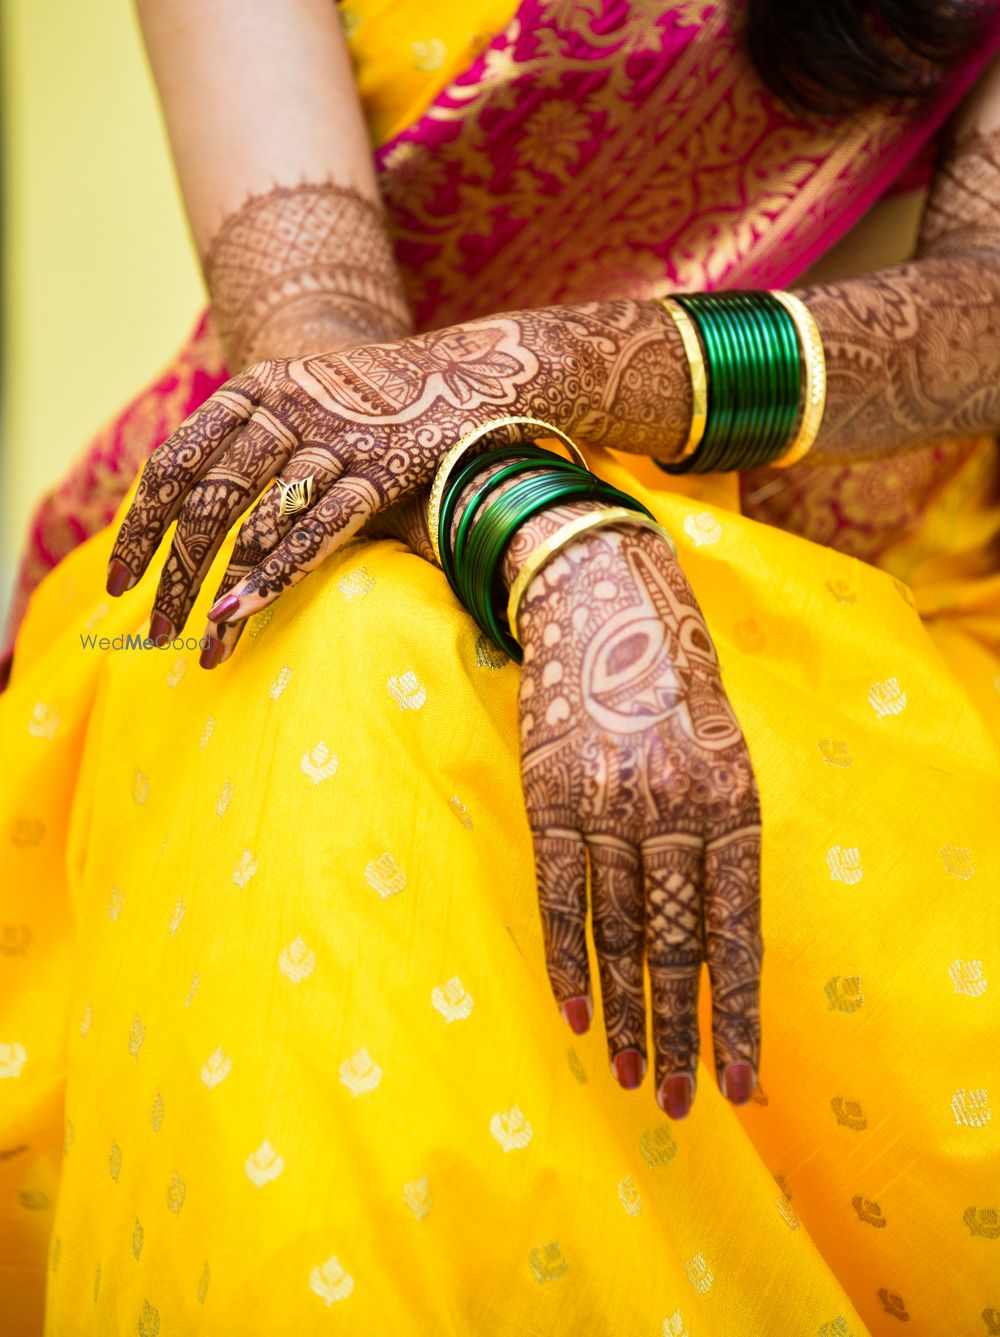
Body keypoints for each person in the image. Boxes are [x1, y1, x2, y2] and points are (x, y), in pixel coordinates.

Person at [2, 1, 1000, 1332]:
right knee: (343, 655)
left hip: (861, 648)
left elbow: (981, 317)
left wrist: (540, 365)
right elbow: (314, 327)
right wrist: (557, 528)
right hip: (381, 547)